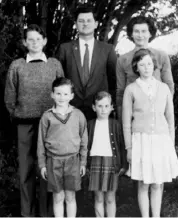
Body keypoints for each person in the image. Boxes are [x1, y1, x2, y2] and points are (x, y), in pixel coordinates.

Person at [4, 24, 64, 217]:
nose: (35, 43)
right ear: (24, 43)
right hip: (25, 124)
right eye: (30, 39)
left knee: (48, 169)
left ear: (45, 41)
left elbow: (63, 91)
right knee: (26, 170)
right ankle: (27, 213)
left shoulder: (54, 64)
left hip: (51, 124)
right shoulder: (17, 65)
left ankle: (46, 213)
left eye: (38, 39)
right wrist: (18, 113)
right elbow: (9, 96)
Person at [122, 48, 178, 217]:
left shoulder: (163, 88)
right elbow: (126, 122)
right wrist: (129, 148)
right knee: (143, 183)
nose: (146, 67)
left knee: (157, 183)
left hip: (161, 141)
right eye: (142, 64)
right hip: (140, 140)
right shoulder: (131, 89)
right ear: (136, 67)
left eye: (149, 63)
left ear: (154, 65)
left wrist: (170, 144)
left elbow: (170, 119)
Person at [37, 77, 88, 218]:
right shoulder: (47, 117)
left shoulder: (78, 115)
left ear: (71, 96)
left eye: (65, 94)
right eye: (58, 93)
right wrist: (42, 164)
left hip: (73, 161)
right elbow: (41, 142)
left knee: (70, 197)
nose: (61, 97)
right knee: (58, 197)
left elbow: (84, 140)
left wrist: (83, 162)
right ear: (52, 94)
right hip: (54, 161)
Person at [56, 5, 117, 120]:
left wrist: (110, 107)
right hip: (70, 110)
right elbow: (59, 80)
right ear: (75, 24)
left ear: (96, 24)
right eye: (81, 21)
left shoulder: (107, 49)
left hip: (99, 110)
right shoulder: (65, 49)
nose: (85, 24)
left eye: (89, 20)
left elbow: (113, 81)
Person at [116, 16, 174, 120]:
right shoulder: (122, 60)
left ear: (150, 33)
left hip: (157, 114)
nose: (140, 35)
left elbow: (169, 85)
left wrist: (165, 111)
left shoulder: (161, 56)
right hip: (133, 114)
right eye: (136, 31)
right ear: (131, 34)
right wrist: (122, 118)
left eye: (144, 31)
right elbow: (120, 91)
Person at [87, 91, 128, 217]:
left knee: (110, 198)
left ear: (111, 107)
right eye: (100, 106)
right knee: (98, 197)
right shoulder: (90, 125)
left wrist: (124, 164)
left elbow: (121, 146)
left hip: (112, 162)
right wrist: (85, 164)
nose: (103, 110)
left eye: (106, 106)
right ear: (94, 107)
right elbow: (85, 146)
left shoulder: (116, 125)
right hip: (95, 162)